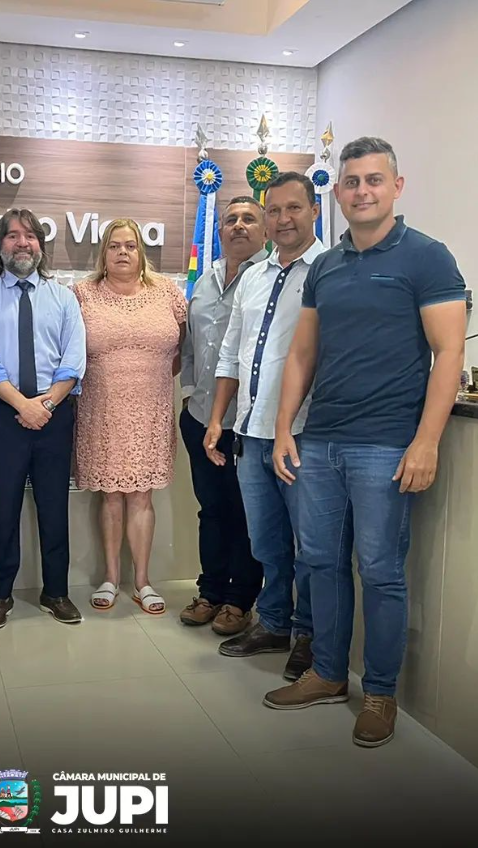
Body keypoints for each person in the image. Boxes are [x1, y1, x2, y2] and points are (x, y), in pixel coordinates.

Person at [263, 138, 466, 748]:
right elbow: (303, 353)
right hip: (321, 441)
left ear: (396, 187)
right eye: (351, 182)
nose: (361, 191)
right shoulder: (326, 266)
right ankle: (328, 674)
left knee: (379, 571)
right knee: (320, 562)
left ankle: (379, 693)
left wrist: (427, 441)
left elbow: (449, 353)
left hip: (386, 444)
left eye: (374, 180)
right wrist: (284, 427)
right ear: (339, 193)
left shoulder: (428, 258)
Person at [206, 172, 325, 681]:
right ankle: (274, 622)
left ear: (314, 211)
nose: (282, 219)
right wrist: (218, 419)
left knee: (310, 546)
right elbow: (230, 353)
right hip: (250, 431)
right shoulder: (254, 277)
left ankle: (308, 635)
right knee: (266, 542)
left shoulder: (329, 271)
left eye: (293, 208)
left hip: (303, 434)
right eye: (274, 210)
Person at [0, 209, 86, 630]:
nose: (22, 243)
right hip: (3, 415)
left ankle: (56, 592)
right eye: (12, 236)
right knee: (2, 510)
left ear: (41, 246)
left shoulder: (63, 297)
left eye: (30, 236)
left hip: (55, 414)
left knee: (54, 508)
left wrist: (45, 405)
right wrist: (23, 405)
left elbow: (73, 361)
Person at [73, 219, 186, 614]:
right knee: (110, 496)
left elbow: (182, 349)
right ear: (103, 252)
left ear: (141, 252)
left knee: (142, 495)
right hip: (101, 409)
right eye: (114, 245)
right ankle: (110, 577)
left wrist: (149, 378)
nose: (123, 252)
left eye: (131, 245)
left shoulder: (166, 292)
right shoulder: (82, 294)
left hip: (151, 409)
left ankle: (142, 582)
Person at [179, 198, 268, 634]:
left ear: (265, 229)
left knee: (246, 513)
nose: (238, 226)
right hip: (201, 417)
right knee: (211, 510)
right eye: (230, 220)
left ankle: (240, 600)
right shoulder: (206, 279)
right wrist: (188, 395)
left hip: (248, 423)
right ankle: (210, 591)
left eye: (249, 219)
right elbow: (191, 346)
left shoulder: (271, 278)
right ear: (219, 232)